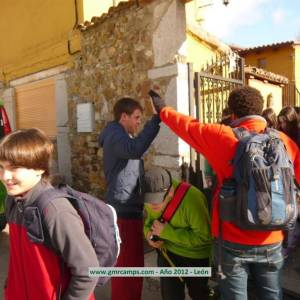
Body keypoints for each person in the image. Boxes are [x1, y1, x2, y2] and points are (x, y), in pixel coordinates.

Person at [149, 86, 300, 300]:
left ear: (233, 114)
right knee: (271, 295)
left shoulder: (222, 136)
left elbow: (188, 127)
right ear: (261, 109)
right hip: (272, 237)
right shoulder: (284, 142)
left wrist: (162, 109)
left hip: (232, 240)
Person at [1, 128, 98, 300]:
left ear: (39, 168)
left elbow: (88, 271)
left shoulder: (56, 211)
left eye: (14, 168)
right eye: (1, 167)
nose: (5, 176)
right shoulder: (13, 200)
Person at [98, 97, 161, 300]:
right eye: (136, 118)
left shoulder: (122, 135)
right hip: (122, 211)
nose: (138, 122)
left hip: (130, 209)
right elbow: (135, 150)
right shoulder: (116, 136)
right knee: (126, 268)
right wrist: (156, 119)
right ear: (123, 117)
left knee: (133, 266)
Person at [143, 167, 212, 300]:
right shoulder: (149, 197)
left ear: (170, 192)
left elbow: (205, 238)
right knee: (170, 296)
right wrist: (148, 236)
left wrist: (167, 232)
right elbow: (149, 222)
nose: (152, 205)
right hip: (167, 254)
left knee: (199, 295)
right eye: (148, 200)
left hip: (194, 256)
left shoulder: (193, 198)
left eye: (157, 200)